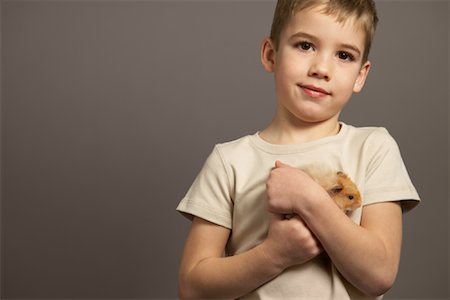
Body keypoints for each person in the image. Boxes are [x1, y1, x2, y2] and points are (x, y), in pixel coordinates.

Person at [176, 0, 420, 298]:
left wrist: (310, 200)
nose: (321, 68)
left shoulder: (374, 148)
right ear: (270, 54)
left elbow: (379, 274)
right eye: (305, 46)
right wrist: (274, 255)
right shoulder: (229, 161)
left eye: (344, 55)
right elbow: (192, 288)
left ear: (360, 75)